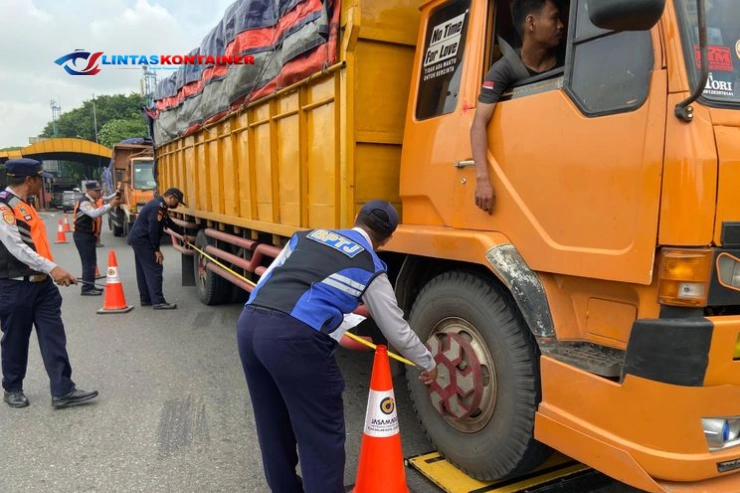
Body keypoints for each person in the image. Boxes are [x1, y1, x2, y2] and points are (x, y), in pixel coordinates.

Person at [236, 199, 439, 493]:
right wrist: (428, 363)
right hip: (293, 341)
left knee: (272, 424)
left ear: (356, 218)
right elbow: (396, 329)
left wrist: (334, 320)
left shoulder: (306, 236)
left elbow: (271, 284)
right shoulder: (371, 265)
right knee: (320, 436)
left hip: (249, 325)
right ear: (388, 238)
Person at [0, 158, 99, 409]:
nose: (42, 185)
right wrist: (53, 268)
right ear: (30, 180)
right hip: (15, 286)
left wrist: (50, 272)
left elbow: (37, 245)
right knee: (15, 339)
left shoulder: (26, 205)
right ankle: (12, 387)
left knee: (53, 337)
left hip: (42, 286)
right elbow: (16, 248)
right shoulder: (4, 207)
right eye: (40, 180)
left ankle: (62, 389)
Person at [470, 0, 564, 214]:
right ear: (531, 23)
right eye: (554, 18)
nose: (561, 25)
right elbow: (478, 124)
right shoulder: (503, 70)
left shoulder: (570, 57)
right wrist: (483, 180)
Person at [127, 187, 194, 310]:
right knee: (155, 268)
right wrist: (156, 250)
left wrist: (182, 234)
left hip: (138, 239)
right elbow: (153, 230)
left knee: (143, 270)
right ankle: (158, 301)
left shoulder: (161, 205)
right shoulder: (157, 208)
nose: (177, 204)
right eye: (177, 202)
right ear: (171, 197)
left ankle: (146, 299)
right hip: (143, 240)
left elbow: (168, 222)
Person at [72, 181, 120, 296]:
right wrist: (111, 205)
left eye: (99, 190)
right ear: (89, 191)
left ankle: (90, 285)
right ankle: (87, 288)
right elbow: (94, 214)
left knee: (92, 262)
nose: (99, 193)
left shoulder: (91, 200)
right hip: (82, 235)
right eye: (96, 191)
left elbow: (106, 197)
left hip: (89, 235)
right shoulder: (84, 202)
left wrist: (116, 194)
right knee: (88, 262)